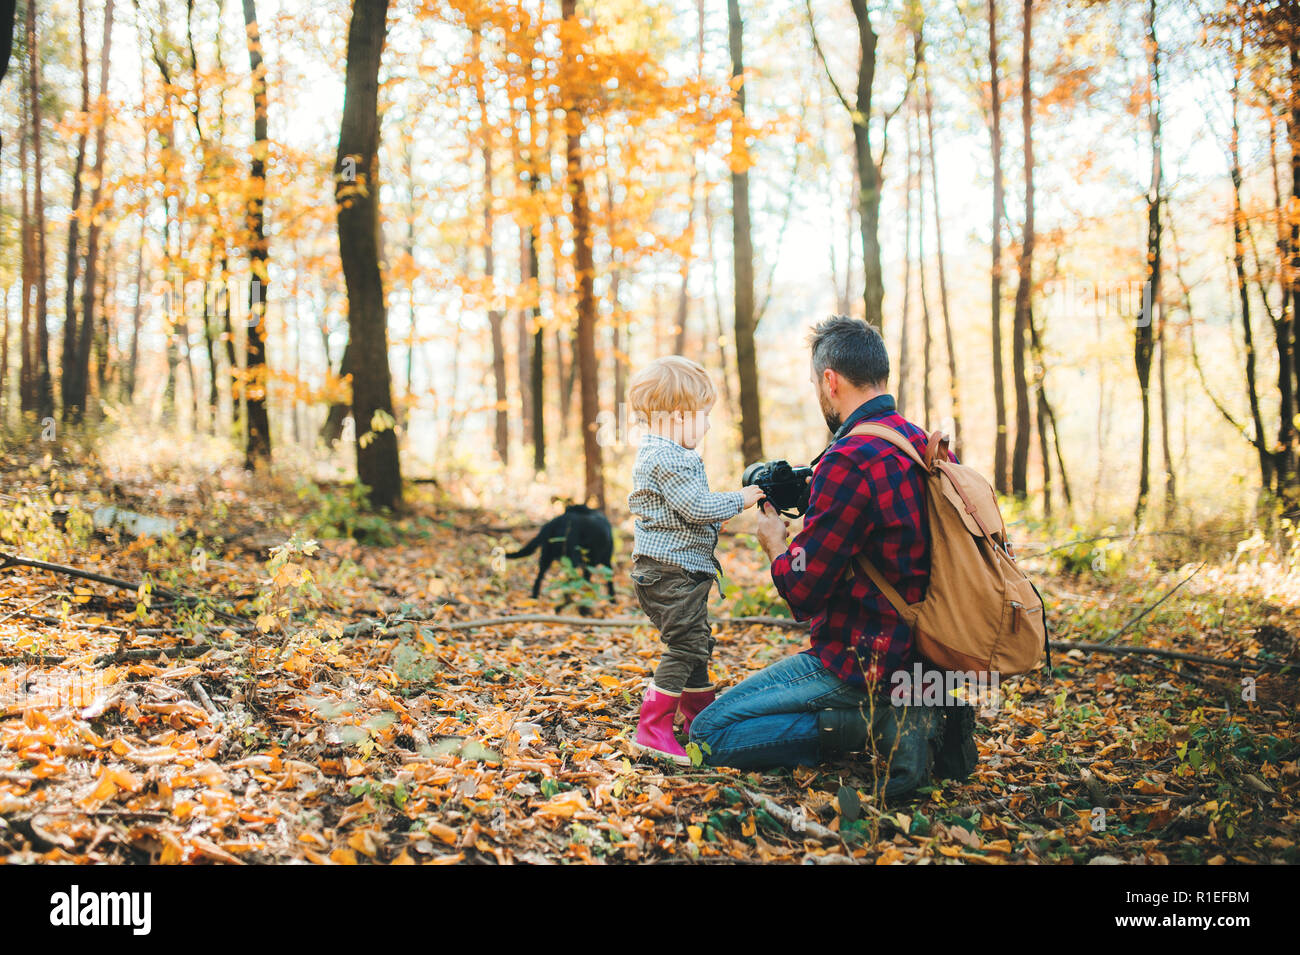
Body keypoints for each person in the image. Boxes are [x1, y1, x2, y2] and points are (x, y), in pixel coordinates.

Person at [689, 315, 976, 798]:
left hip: (862, 662)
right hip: (929, 653)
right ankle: (906, 708)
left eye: (815, 384)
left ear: (830, 380)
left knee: (707, 734)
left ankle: (882, 723)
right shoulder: (919, 442)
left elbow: (804, 591)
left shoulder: (850, 458)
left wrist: (775, 542)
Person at [626, 356, 764, 764]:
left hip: (678, 572)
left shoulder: (667, 453)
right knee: (685, 645)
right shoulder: (666, 458)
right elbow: (698, 507)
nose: (706, 426)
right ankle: (652, 729)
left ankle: (698, 717)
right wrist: (743, 498)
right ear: (674, 416)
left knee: (696, 643)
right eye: (702, 417)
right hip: (668, 575)